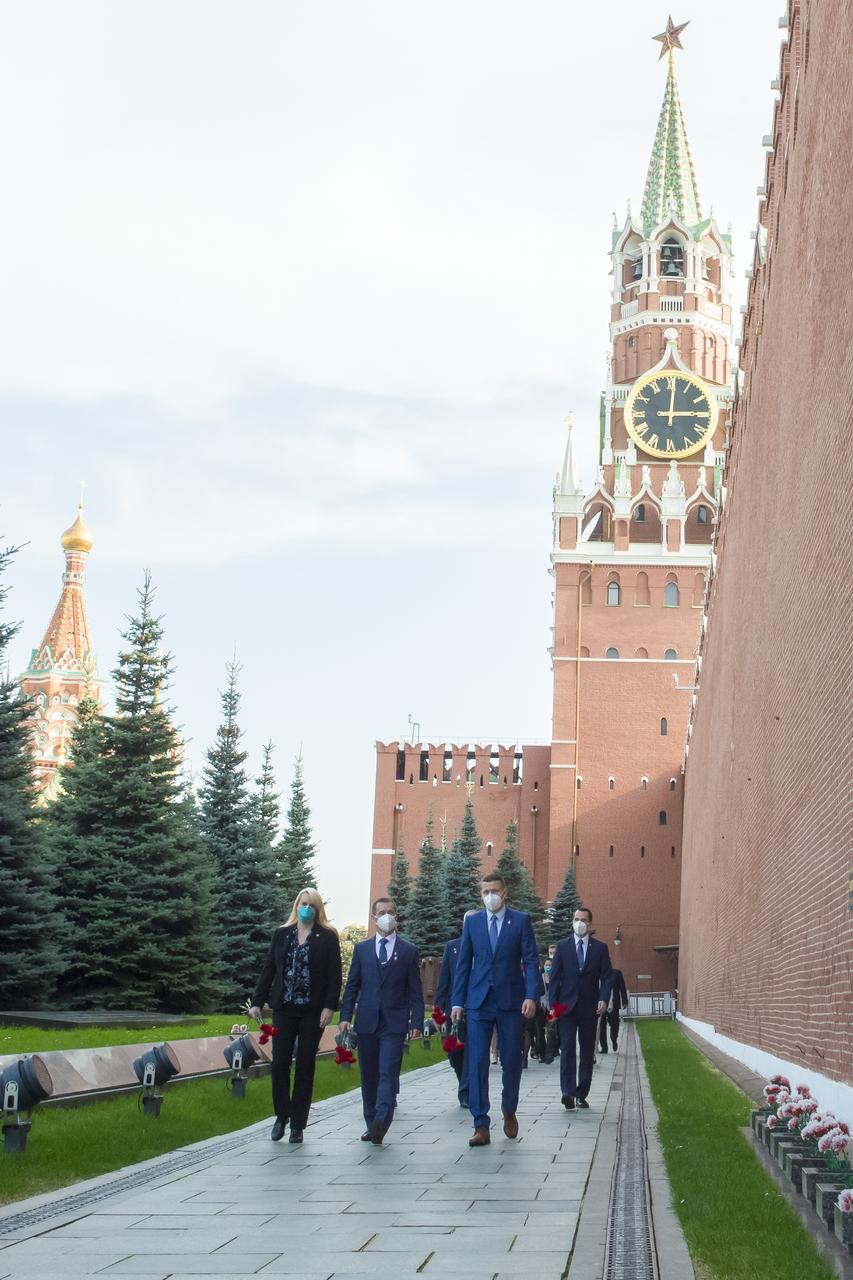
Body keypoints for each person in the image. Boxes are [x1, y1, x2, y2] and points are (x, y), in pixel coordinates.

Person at [451, 871, 539, 1147]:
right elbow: (463, 963)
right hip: (479, 1002)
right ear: (481, 894)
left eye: (495, 891)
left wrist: (531, 995)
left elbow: (531, 960)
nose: (490, 896)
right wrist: (457, 1001)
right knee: (477, 1061)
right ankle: (481, 1124)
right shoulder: (473, 922)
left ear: (504, 893)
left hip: (511, 1001)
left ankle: (509, 1108)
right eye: (485, 892)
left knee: (511, 1059)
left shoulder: (520, 921)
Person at [250, 887, 342, 1144]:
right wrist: (257, 1001)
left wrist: (329, 1007)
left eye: (311, 905)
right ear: (296, 906)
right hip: (284, 1009)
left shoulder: (327, 937)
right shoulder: (282, 934)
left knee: (304, 1065)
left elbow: (334, 976)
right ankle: (282, 1115)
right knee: (280, 1063)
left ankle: (298, 1124)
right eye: (303, 904)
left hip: (312, 1011)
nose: (307, 909)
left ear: (318, 909)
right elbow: (269, 969)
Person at [339, 896, 425, 1145]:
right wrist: (345, 1016)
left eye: (391, 912)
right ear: (374, 918)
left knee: (387, 1072)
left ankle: (381, 1120)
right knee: (369, 1075)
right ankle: (370, 1122)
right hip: (367, 1022)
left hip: (394, 1023)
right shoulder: (362, 950)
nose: (387, 916)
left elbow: (415, 991)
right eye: (382, 912)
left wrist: (416, 1022)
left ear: (396, 916)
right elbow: (352, 986)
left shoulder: (408, 951)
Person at [548, 906, 613, 1110]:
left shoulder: (600, 948)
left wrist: (604, 998)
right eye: (576, 919)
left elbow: (607, 977)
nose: (579, 923)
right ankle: (567, 1092)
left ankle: (581, 1093)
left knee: (586, 1052)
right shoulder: (563, 946)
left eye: (583, 920)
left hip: (589, 1008)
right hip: (566, 1008)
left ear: (589, 923)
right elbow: (554, 978)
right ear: (572, 921)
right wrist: (553, 1007)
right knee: (567, 1048)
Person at [434, 910, 476, 1107]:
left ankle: (466, 1092)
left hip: (476, 1007)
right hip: (454, 1009)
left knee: (472, 1051)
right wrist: (438, 1010)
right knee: (455, 1052)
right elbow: (444, 980)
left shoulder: (485, 946)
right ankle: (463, 1082)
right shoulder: (452, 947)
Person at [599, 967, 629, 1053]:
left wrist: (624, 1001)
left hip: (613, 1003)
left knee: (615, 1024)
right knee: (601, 1027)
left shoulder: (617, 973)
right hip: (601, 1004)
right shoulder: (598, 973)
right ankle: (604, 1047)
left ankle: (614, 1038)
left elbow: (622, 987)